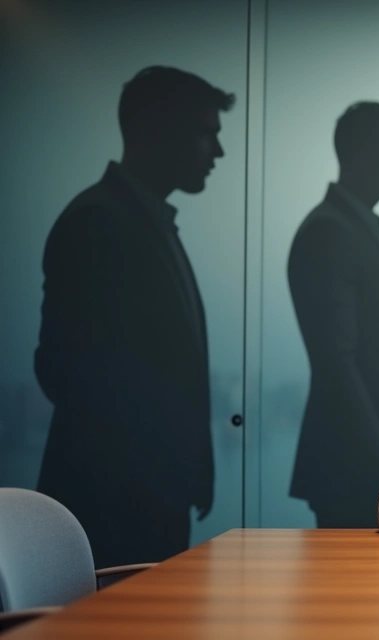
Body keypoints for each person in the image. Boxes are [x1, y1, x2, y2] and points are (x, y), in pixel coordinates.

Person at [35, 66, 232, 566]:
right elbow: (65, 367)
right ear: (155, 131)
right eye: (205, 133)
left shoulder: (129, 220)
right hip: (117, 498)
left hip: (142, 492)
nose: (218, 152)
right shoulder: (100, 223)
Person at [287, 102, 379, 527]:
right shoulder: (331, 232)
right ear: (366, 154)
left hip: (367, 465)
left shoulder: (348, 226)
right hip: (358, 467)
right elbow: (338, 365)